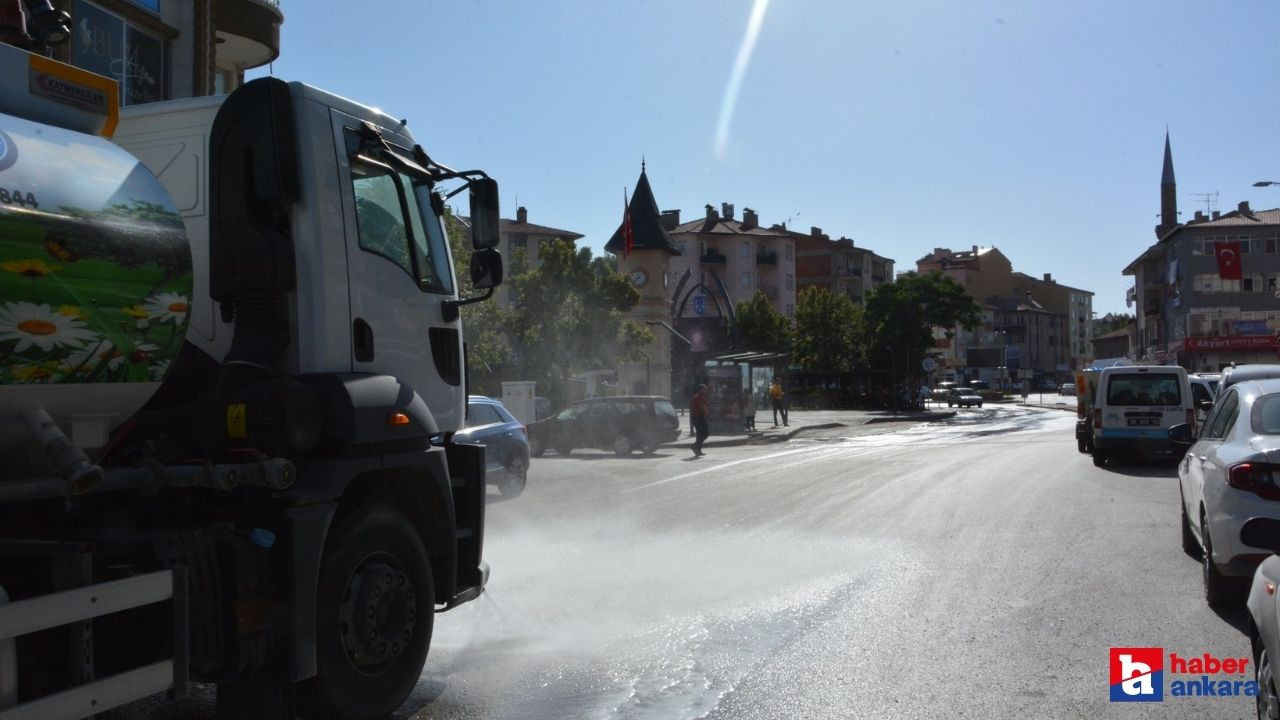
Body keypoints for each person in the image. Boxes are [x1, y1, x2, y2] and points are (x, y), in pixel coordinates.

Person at [690, 383, 710, 456]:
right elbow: (703, 407)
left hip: (697, 418)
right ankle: (695, 446)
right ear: (701, 389)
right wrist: (707, 410)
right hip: (699, 418)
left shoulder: (697, 396)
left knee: (699, 435)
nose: (706, 391)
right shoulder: (699, 397)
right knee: (705, 433)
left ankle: (698, 450)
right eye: (705, 389)